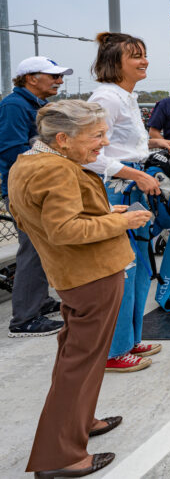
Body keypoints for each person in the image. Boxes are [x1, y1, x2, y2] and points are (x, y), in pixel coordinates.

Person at [9, 100, 150, 477]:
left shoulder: (30, 164)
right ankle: (61, 457)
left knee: (78, 358)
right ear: (62, 139)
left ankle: (79, 422)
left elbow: (45, 220)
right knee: (80, 363)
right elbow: (65, 230)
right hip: (90, 275)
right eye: (96, 136)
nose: (103, 144)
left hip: (76, 276)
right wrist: (122, 222)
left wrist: (107, 214)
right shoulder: (56, 171)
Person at [86, 33, 170, 373]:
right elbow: (89, 155)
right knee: (122, 269)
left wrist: (155, 145)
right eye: (136, 56)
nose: (144, 61)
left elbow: (123, 145)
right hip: (119, 190)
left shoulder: (125, 97)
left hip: (134, 185)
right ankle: (113, 349)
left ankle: (130, 338)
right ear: (114, 63)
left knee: (139, 266)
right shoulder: (106, 98)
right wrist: (135, 175)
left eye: (144, 54)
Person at [1, 57, 72, 338]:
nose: (59, 81)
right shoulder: (14, 106)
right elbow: (11, 149)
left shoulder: (34, 106)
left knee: (42, 248)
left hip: (35, 187)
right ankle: (24, 319)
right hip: (24, 190)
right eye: (52, 76)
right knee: (32, 251)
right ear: (30, 78)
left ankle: (38, 303)